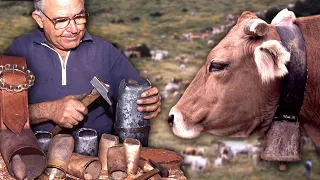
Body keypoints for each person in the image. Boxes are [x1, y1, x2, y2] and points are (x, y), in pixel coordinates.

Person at [6, 0, 161, 138]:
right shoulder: (19, 52)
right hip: (35, 157)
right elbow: (5, 115)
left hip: (97, 161)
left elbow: (138, 93)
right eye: (61, 20)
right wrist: (48, 110)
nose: (73, 29)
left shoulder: (104, 51)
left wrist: (148, 101)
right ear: (39, 19)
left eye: (79, 17)